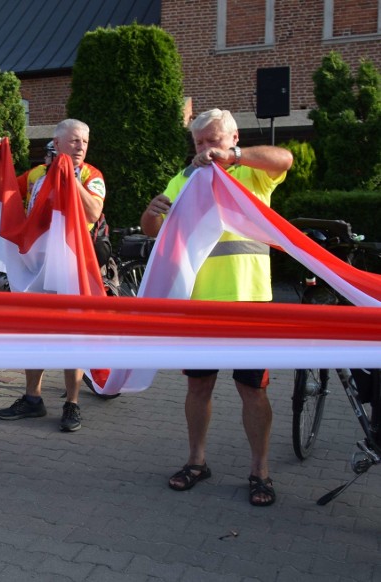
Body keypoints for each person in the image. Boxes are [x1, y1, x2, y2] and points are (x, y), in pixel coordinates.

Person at [140, 108, 293, 507]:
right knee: (198, 385)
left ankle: (260, 471)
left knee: (252, 390)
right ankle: (196, 462)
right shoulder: (184, 178)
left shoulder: (249, 171)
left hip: (249, 302)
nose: (206, 150)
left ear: (233, 138)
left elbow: (285, 160)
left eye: (213, 141)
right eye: (199, 143)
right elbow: (155, 230)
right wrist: (151, 214)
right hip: (199, 304)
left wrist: (235, 159)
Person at [0, 119, 106, 432]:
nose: (80, 147)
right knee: (35, 332)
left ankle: (72, 403)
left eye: (84, 142)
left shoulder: (90, 175)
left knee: (74, 335)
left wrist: (70, 181)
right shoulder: (35, 175)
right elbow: (3, 190)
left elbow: (92, 213)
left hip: (71, 265)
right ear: (56, 145)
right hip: (37, 267)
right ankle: (33, 399)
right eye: (73, 141)